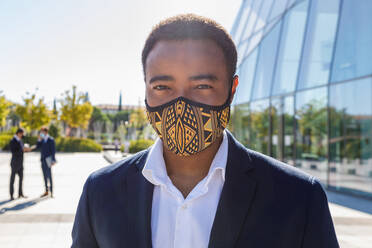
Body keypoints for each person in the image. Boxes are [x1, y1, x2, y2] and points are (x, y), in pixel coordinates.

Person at [72, 14, 339, 247]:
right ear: (145, 89)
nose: (181, 104)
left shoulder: (298, 198)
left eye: (201, 86)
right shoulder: (100, 192)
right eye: (163, 87)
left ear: (231, 90)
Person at [9, 128, 30, 200]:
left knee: (21, 179)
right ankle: (11, 195)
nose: (22, 135)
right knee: (12, 180)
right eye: (22, 134)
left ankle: (20, 193)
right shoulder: (13, 141)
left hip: (20, 163)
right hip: (15, 163)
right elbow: (13, 152)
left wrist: (26, 150)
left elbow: (22, 150)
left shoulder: (20, 140)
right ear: (18, 133)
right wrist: (22, 150)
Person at [36, 127, 56, 198]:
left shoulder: (51, 139)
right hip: (42, 159)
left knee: (49, 175)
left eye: (42, 132)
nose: (41, 133)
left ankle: (52, 192)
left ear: (45, 132)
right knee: (44, 175)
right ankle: (46, 191)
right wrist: (39, 139)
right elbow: (37, 146)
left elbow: (53, 150)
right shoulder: (42, 139)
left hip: (49, 159)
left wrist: (53, 160)